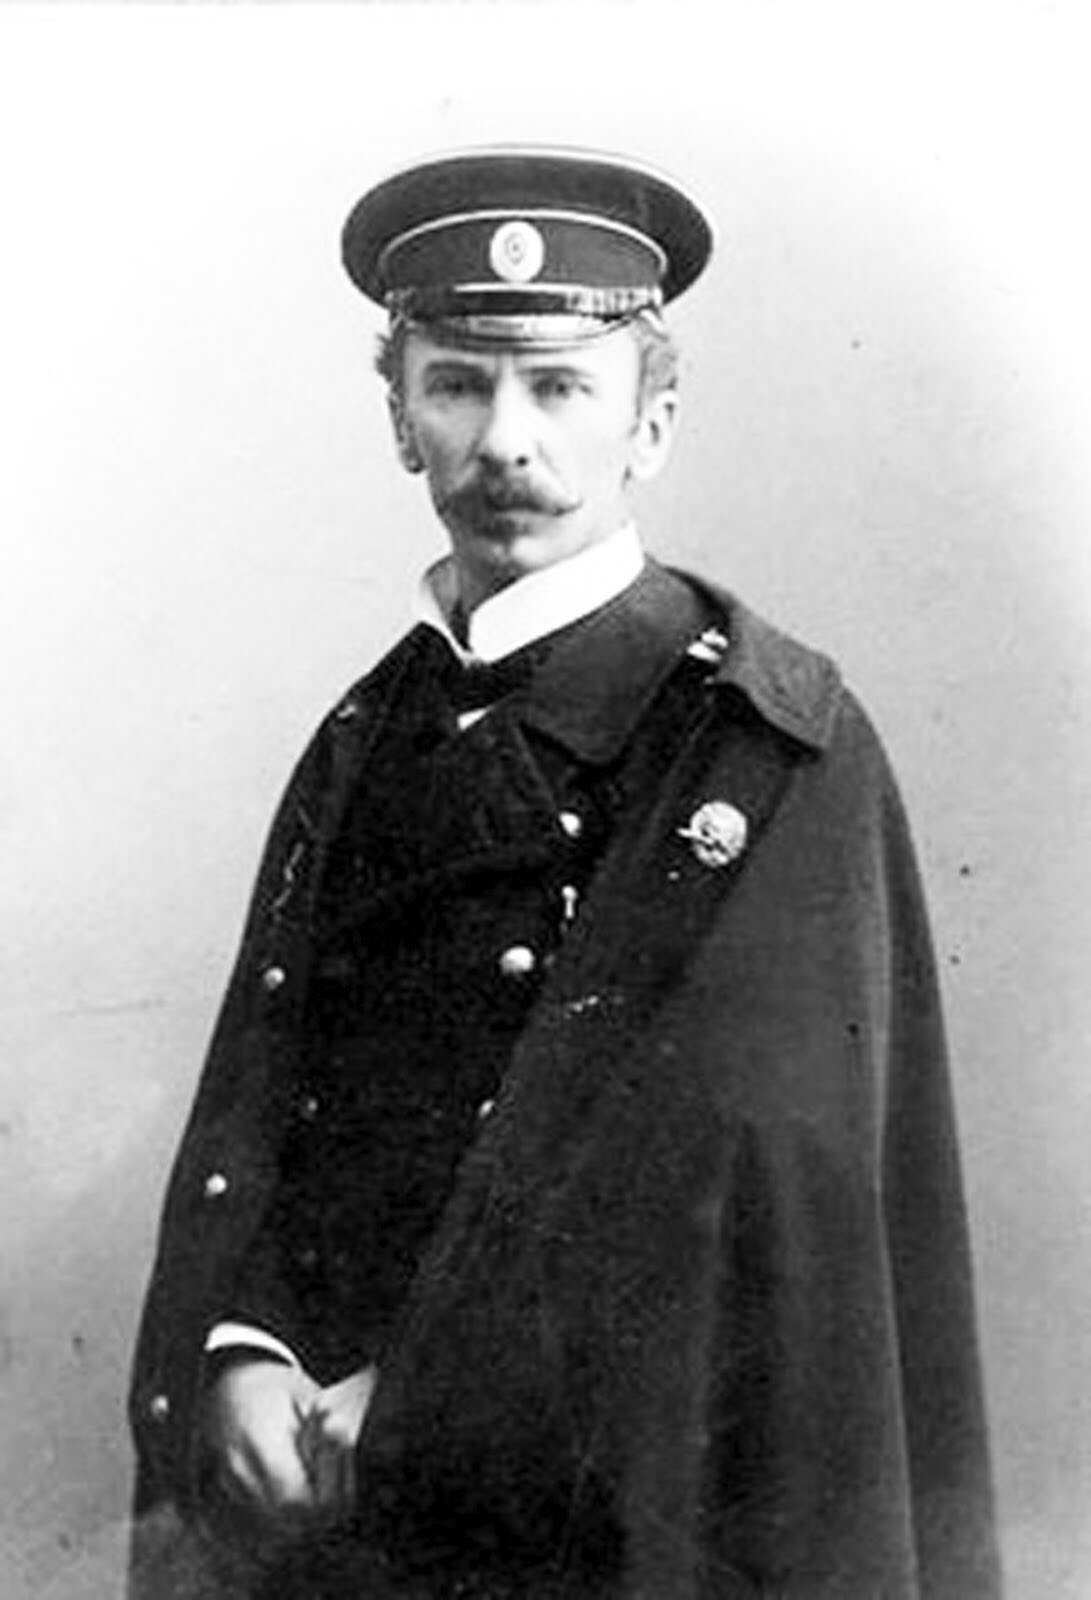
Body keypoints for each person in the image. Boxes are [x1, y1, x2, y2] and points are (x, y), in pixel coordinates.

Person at [128, 146, 1001, 1599]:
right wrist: (245, 1345)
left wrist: (433, 1397)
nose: (505, 442)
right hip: (333, 1504)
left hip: (612, 1510)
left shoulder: (762, 745)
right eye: (457, 385)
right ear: (399, 417)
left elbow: (735, 1188)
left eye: (560, 389)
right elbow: (276, 1103)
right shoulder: (368, 730)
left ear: (650, 423)